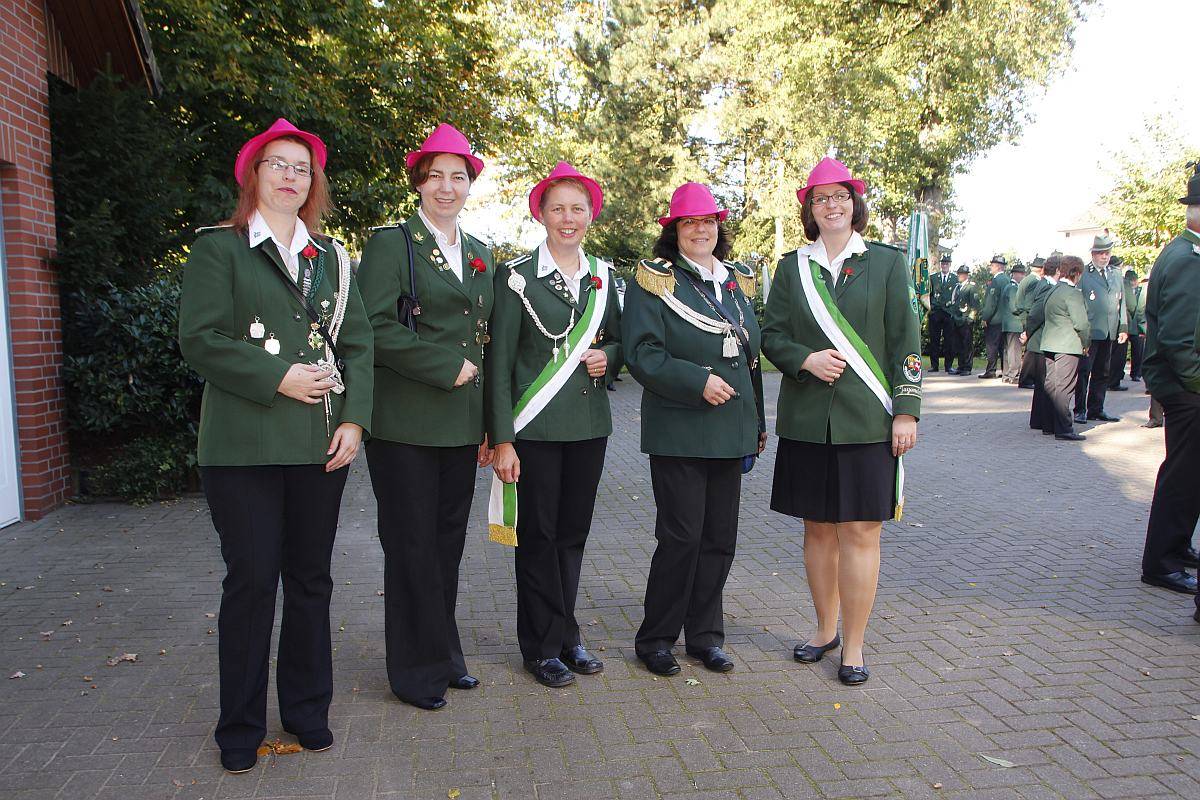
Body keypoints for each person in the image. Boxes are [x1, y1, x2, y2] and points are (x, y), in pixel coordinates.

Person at [178, 118, 374, 772]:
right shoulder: (220, 249)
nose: (290, 176)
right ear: (254, 175)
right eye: (278, 165)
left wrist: (355, 420)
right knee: (253, 583)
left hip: (320, 445)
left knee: (311, 582)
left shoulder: (333, 258)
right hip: (243, 450)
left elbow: (358, 345)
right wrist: (279, 376)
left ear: (313, 183)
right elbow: (200, 339)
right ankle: (239, 728)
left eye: (301, 168)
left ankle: (307, 711)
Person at [761, 157, 921, 685]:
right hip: (808, 419)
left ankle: (854, 646)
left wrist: (906, 409)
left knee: (860, 530)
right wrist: (804, 359)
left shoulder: (887, 263)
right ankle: (824, 629)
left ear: (855, 204)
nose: (831, 205)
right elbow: (772, 335)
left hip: (868, 419)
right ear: (809, 208)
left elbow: (906, 341)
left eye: (840, 197)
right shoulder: (792, 268)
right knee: (817, 528)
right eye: (820, 198)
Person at [355, 123, 496, 711]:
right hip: (405, 424)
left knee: (446, 547)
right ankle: (414, 672)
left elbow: (486, 340)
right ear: (418, 182)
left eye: (457, 177)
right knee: (411, 547)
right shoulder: (392, 244)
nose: (446, 187)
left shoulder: (482, 252)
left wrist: (490, 425)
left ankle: (443, 653)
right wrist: (443, 365)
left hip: (460, 425)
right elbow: (370, 326)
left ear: (469, 185)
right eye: (435, 176)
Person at [621, 182, 766, 677]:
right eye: (689, 222)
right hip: (680, 428)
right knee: (681, 538)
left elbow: (749, 358)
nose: (700, 230)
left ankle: (705, 636)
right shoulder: (656, 281)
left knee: (719, 540)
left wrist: (757, 424)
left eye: (708, 221)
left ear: (718, 227)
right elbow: (642, 353)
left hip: (730, 429)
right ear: (674, 230)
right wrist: (696, 381)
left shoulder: (735, 282)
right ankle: (657, 639)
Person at [485, 162, 621, 688]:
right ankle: (540, 647)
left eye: (577, 209)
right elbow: (499, 362)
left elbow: (620, 339)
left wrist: (609, 355)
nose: (568, 218)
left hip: (588, 427)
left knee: (572, 537)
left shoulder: (604, 276)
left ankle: (567, 636)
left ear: (590, 215)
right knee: (538, 538)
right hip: (535, 428)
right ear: (541, 214)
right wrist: (503, 439)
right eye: (558, 208)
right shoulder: (516, 277)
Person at [1139, 163, 1200, 603]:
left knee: (1188, 473)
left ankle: (1176, 547)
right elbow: (1180, 338)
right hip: (1185, 386)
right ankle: (1162, 563)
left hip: (1182, 383)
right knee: (1183, 475)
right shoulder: (1186, 259)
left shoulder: (1183, 252)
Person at [1073, 234, 1127, 425]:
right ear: (1093, 254)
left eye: (1107, 253)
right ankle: (1080, 409)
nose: (1105, 257)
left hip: (1109, 330)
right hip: (1091, 331)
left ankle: (1096, 408)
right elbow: (1077, 303)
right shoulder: (1084, 274)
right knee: (1084, 372)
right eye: (1101, 253)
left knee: (1103, 372)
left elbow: (1122, 302)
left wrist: (1123, 327)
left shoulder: (1115, 274)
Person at [1037, 255, 1090, 441]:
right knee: (1064, 387)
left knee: (1050, 384)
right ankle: (1064, 428)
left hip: (1050, 343)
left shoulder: (1053, 289)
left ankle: (1048, 424)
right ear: (1077, 273)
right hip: (1067, 345)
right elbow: (1081, 324)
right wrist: (1086, 343)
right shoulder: (1073, 293)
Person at [1022, 254, 1060, 433]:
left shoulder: (1044, 284)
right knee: (1045, 383)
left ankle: (1038, 420)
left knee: (1042, 384)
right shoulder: (1046, 287)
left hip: (1039, 340)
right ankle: (1044, 421)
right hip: (1040, 340)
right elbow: (1036, 313)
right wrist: (1028, 333)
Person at [1014, 256, 1046, 388]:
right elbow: (1030, 303)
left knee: (1031, 348)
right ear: (1041, 269)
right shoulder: (1034, 281)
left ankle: (1028, 378)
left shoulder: (1028, 279)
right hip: (1029, 316)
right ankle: (1026, 378)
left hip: (1026, 315)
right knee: (1032, 349)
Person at [1108, 263, 1141, 389]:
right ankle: (1115, 380)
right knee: (1120, 353)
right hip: (1122, 321)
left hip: (1105, 322)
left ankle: (1108, 379)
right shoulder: (1122, 281)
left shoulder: (1100, 277)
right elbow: (1132, 304)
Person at [978, 255, 1011, 379]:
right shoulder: (1007, 280)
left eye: (992, 265)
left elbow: (991, 303)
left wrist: (985, 317)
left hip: (995, 319)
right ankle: (1005, 370)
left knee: (992, 346)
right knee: (1003, 346)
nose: (990, 268)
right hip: (1005, 319)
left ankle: (991, 370)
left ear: (998, 267)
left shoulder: (996, 281)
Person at [927, 254, 957, 372]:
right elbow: (929, 294)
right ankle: (934, 365)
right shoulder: (933, 278)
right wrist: (930, 308)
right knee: (934, 339)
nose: (944, 265)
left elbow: (957, 296)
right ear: (940, 264)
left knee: (949, 340)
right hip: (936, 312)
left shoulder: (954, 279)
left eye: (946, 263)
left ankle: (948, 366)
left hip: (948, 313)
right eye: (943, 263)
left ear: (950, 265)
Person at [948, 265, 978, 375]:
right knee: (959, 344)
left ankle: (967, 367)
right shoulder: (958, 287)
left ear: (966, 275)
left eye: (961, 274)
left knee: (967, 345)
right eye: (959, 274)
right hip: (957, 319)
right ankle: (961, 366)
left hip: (965, 319)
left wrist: (970, 318)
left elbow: (975, 305)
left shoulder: (971, 287)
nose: (959, 276)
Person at [1000, 262, 1026, 383]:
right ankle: (1013, 375)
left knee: (1008, 350)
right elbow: (1015, 307)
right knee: (1014, 351)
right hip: (1014, 324)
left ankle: (1007, 374)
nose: (1023, 276)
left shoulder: (1008, 287)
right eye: (1021, 274)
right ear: (1015, 274)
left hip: (1008, 324)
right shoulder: (1013, 288)